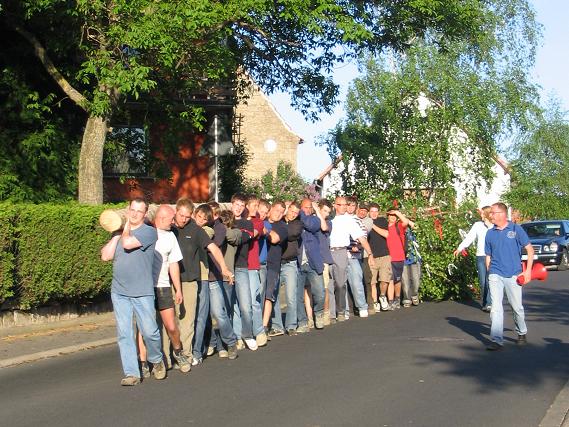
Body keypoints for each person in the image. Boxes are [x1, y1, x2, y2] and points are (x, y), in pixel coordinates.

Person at [101, 198, 166, 386]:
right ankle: (132, 373)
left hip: (142, 292)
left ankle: (156, 359)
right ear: (127, 210)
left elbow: (129, 244)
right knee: (124, 333)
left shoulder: (149, 232)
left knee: (150, 331)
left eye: (139, 211)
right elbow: (106, 256)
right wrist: (115, 235)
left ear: (145, 214)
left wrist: (126, 227)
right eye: (132, 210)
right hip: (119, 292)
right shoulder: (120, 233)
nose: (135, 213)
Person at [172, 198, 233, 365]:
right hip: (171, 280)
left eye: (187, 216)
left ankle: (195, 352)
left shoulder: (199, 230)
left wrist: (224, 268)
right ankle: (173, 355)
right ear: (176, 212)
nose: (184, 219)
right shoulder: (170, 228)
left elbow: (213, 247)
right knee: (174, 320)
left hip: (197, 278)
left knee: (198, 317)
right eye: (181, 215)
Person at [138, 205, 191, 376]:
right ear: (161, 218)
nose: (174, 222)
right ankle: (146, 362)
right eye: (171, 219)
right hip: (144, 287)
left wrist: (178, 289)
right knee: (144, 327)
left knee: (171, 325)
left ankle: (178, 352)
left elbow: (173, 263)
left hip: (163, 286)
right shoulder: (146, 232)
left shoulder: (170, 236)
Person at [484, 202, 534, 351]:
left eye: (492, 212)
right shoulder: (490, 233)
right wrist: (489, 272)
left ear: (502, 214)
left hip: (513, 274)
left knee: (516, 307)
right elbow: (488, 255)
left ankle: (521, 332)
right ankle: (496, 339)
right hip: (495, 273)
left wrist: (528, 271)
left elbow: (529, 250)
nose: (490, 215)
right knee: (496, 308)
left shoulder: (516, 229)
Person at [328, 196, 375, 322]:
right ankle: (333, 313)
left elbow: (361, 237)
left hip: (342, 252)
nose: (344, 207)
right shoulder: (329, 218)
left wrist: (370, 254)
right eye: (341, 205)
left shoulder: (350, 220)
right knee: (330, 285)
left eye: (346, 205)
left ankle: (347, 310)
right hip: (327, 252)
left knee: (343, 283)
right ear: (335, 205)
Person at [453, 206, 493, 312]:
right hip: (480, 256)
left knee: (490, 280)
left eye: (482, 213)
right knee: (483, 281)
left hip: (493, 256)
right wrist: (460, 248)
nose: (480, 215)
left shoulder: (493, 226)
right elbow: (469, 237)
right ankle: (485, 303)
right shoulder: (477, 225)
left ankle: (490, 303)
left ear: (487, 214)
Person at [296, 199, 327, 330]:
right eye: (304, 208)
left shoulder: (314, 220)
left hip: (313, 262)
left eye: (309, 208)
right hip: (298, 263)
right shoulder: (295, 221)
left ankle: (318, 314)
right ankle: (302, 322)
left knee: (319, 293)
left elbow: (311, 226)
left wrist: (301, 213)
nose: (307, 210)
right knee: (297, 296)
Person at [401, 220, 421, 308]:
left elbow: (415, 226)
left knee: (416, 278)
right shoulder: (399, 227)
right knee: (405, 280)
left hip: (414, 257)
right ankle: (406, 298)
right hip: (402, 258)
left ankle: (414, 294)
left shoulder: (413, 227)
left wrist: (408, 221)